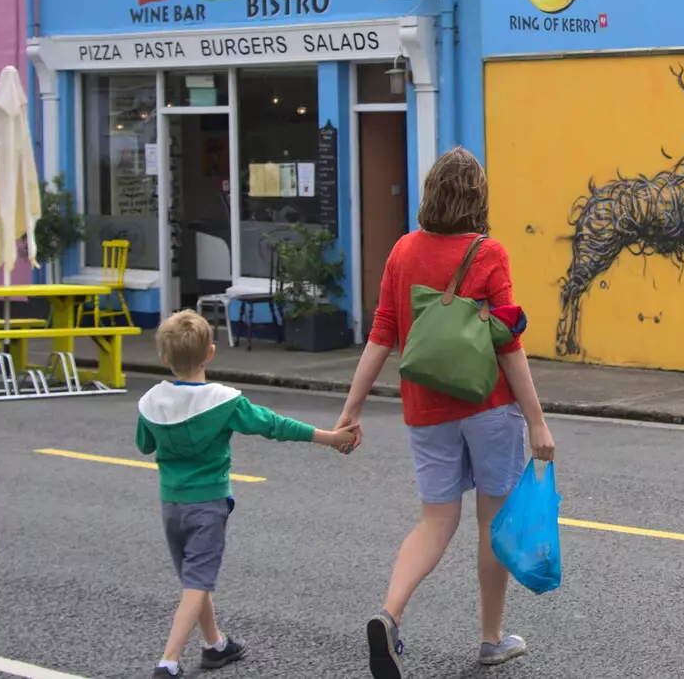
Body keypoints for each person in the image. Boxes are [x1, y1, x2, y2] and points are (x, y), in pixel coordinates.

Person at [334, 146, 556, 678]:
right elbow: (508, 344)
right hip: (488, 405)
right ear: (478, 197)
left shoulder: (403, 251)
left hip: (425, 406)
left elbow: (381, 335)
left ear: (429, 193)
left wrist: (351, 410)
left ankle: (389, 613)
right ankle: (491, 638)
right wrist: (537, 419)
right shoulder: (489, 254)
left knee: (435, 519)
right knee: (491, 522)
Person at [136, 309, 359, 678]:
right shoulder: (224, 401)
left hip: (171, 504)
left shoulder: (151, 402)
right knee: (197, 581)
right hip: (207, 504)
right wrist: (329, 438)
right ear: (210, 352)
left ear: (163, 358)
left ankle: (215, 645)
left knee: (195, 577)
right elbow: (273, 425)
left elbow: (144, 445)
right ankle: (169, 661)